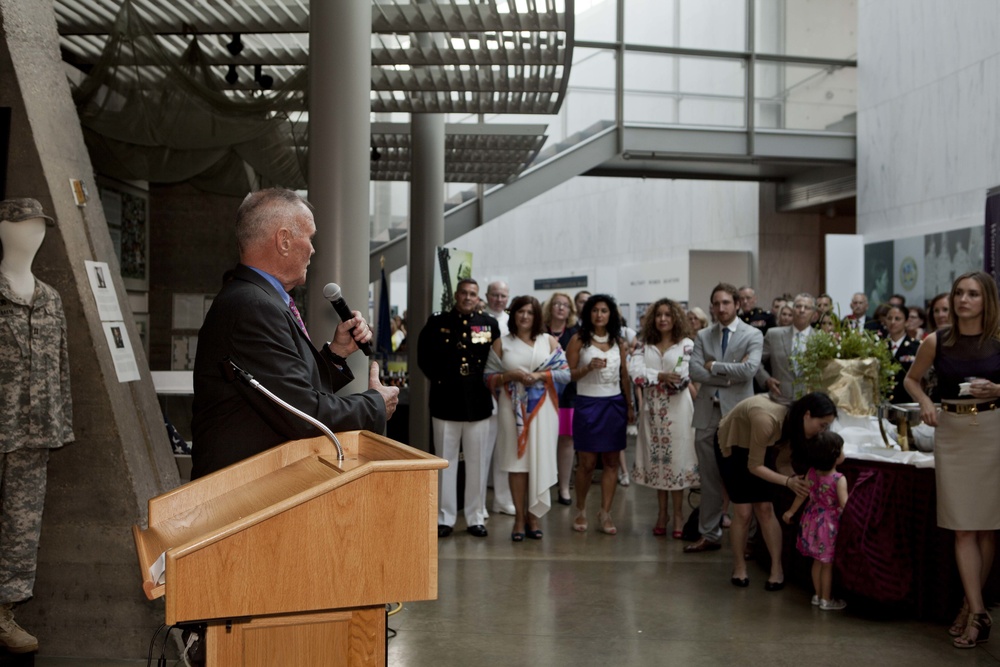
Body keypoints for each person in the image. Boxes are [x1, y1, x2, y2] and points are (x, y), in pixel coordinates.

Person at [191, 189, 395, 479]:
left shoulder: (257, 299)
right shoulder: (254, 307)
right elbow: (302, 414)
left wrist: (336, 354)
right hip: (242, 491)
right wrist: (375, 403)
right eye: (309, 237)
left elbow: (286, 391)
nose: (313, 249)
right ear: (284, 241)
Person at [903, 271, 1000, 649]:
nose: (963, 300)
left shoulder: (997, 339)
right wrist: (926, 401)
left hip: (993, 429)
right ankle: (979, 611)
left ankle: (969, 607)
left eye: (973, 294)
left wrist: (998, 388)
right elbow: (912, 379)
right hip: (954, 432)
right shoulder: (937, 340)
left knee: (987, 526)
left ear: (986, 299)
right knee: (962, 526)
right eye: (959, 292)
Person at [0, 198, 73, 654]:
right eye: (23, 225)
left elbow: (62, 365)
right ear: (3, 229)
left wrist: (59, 422)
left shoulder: (50, 298)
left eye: (39, 226)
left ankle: (3, 614)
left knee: (21, 529)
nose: (34, 232)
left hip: (34, 432)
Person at [717, 392, 836, 590]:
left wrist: (796, 481)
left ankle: (776, 569)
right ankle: (739, 567)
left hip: (758, 448)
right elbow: (755, 466)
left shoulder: (794, 423)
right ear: (807, 415)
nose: (822, 431)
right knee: (743, 512)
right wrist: (788, 482)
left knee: (765, 508)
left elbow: (781, 461)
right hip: (733, 444)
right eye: (822, 425)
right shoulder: (767, 420)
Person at [418, 278, 501, 538]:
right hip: (446, 400)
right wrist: (442, 380)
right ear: (456, 295)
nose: (467, 297)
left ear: (478, 298)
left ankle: (476, 517)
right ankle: (446, 517)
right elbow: (424, 357)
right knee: (445, 461)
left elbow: (496, 360)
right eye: (464, 293)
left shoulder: (489, 324)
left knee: (477, 463)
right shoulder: (438, 322)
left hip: (478, 402)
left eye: (473, 294)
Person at [685, 283, 764, 553]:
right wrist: (731, 373)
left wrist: (715, 367)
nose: (721, 308)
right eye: (716, 303)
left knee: (743, 476)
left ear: (737, 305)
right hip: (708, 413)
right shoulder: (703, 336)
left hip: (738, 415)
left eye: (726, 303)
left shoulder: (752, 334)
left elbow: (750, 370)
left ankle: (751, 537)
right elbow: (695, 371)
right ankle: (710, 534)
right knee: (708, 479)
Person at [485, 296, 570, 541]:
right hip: (511, 411)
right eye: (520, 311)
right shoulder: (503, 343)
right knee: (517, 464)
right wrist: (509, 375)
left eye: (530, 313)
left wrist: (540, 376)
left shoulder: (549, 341)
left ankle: (535, 517)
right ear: (514, 315)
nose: (524, 316)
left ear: (537, 317)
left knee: (539, 461)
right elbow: (488, 377)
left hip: (543, 411)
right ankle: (520, 519)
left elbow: (564, 374)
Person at [628, 298, 698, 538]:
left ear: (676, 317)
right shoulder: (643, 344)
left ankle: (678, 515)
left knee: (675, 461)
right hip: (652, 413)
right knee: (656, 463)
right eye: (658, 314)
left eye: (668, 314)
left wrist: (655, 378)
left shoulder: (686, 344)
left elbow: (683, 378)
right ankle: (662, 513)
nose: (663, 319)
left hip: (678, 412)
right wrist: (660, 375)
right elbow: (635, 374)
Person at [565, 294, 635, 535]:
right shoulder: (578, 340)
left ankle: (605, 512)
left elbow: (624, 377)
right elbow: (568, 375)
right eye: (595, 310)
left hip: (614, 403)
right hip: (587, 403)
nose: (599, 315)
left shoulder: (619, 341)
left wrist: (629, 405)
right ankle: (581, 509)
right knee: (586, 462)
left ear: (611, 314)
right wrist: (587, 368)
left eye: (604, 310)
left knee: (612, 462)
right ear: (588, 314)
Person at [782, 431, 849, 611]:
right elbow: (845, 503)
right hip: (828, 525)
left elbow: (802, 495)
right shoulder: (838, 479)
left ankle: (817, 595)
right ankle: (826, 599)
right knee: (827, 564)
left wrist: (790, 511)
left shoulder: (812, 473)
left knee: (817, 561)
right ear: (835, 455)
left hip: (811, 520)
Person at [543, 292, 579, 505]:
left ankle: (564, 487)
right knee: (544, 440)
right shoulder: (540, 331)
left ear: (570, 310)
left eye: (565, 305)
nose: (560, 308)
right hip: (541, 393)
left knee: (566, 439)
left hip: (568, 394)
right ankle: (544, 485)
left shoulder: (575, 333)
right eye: (556, 304)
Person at [484, 280, 515, 516]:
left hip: (509, 392)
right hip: (484, 391)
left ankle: (503, 500)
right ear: (487, 296)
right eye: (495, 295)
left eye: (503, 295)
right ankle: (479, 503)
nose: (499, 299)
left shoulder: (512, 322)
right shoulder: (479, 321)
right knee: (483, 450)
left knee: (504, 448)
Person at [757, 293, 816, 401]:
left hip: (810, 401)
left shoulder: (821, 338)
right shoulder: (774, 334)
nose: (802, 310)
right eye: (798, 306)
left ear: (814, 313)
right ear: (793, 309)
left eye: (807, 307)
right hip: (779, 398)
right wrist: (766, 379)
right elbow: (755, 360)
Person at [884, 305, 919, 404]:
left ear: (906, 322)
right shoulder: (879, 346)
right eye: (889, 318)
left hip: (905, 401)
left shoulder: (915, 347)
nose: (892, 322)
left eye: (897, 319)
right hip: (883, 403)